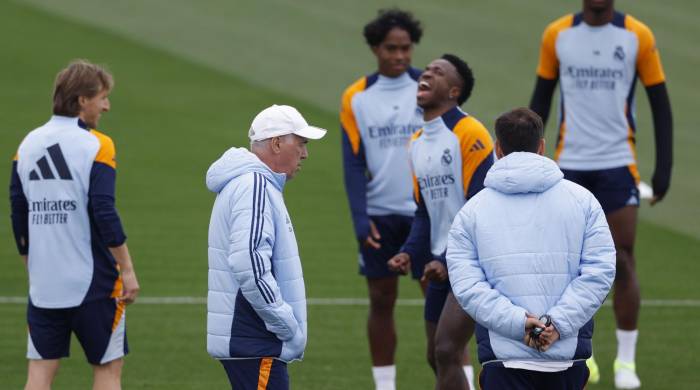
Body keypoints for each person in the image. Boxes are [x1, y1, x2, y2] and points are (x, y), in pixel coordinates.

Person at [528, 0, 673, 387]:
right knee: (564, 265)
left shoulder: (637, 35)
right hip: (568, 162)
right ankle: (579, 354)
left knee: (622, 259)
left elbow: (660, 103)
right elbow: (540, 99)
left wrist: (664, 169)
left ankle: (625, 363)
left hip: (617, 163)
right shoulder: (557, 34)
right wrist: (526, 157)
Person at [446, 107, 617, 390]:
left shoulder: (471, 212)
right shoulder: (584, 201)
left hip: (504, 359)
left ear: (498, 149)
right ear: (541, 146)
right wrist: (556, 325)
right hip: (567, 358)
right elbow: (600, 273)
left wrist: (520, 323)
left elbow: (468, 287)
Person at [9, 60, 140, 390]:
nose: (106, 105)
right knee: (107, 370)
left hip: (44, 284)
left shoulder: (27, 146)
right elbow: (103, 210)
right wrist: (126, 268)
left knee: (38, 375)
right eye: (103, 97)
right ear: (83, 100)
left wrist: (30, 262)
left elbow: (18, 213)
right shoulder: (98, 145)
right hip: (94, 282)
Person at [388, 54, 494, 390]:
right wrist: (408, 252)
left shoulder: (469, 132)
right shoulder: (417, 142)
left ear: (453, 91)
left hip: (472, 262)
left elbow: (482, 205)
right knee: (436, 355)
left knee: (448, 349)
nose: (427, 73)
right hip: (441, 264)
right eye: (427, 70)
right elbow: (424, 211)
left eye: (438, 72)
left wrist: (449, 260)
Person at [206, 104, 326, 390]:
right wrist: (285, 323)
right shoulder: (255, 185)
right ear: (276, 143)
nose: (305, 153)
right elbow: (249, 262)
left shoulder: (250, 183)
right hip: (256, 341)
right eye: (301, 143)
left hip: (250, 340)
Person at [340, 8, 424, 390]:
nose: (400, 56)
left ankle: (458, 379)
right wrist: (361, 219)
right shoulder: (356, 97)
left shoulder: (429, 86)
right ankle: (385, 385)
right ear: (375, 48)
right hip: (380, 215)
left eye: (406, 48)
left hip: (427, 216)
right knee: (381, 299)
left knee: (441, 303)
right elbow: (353, 163)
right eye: (391, 48)